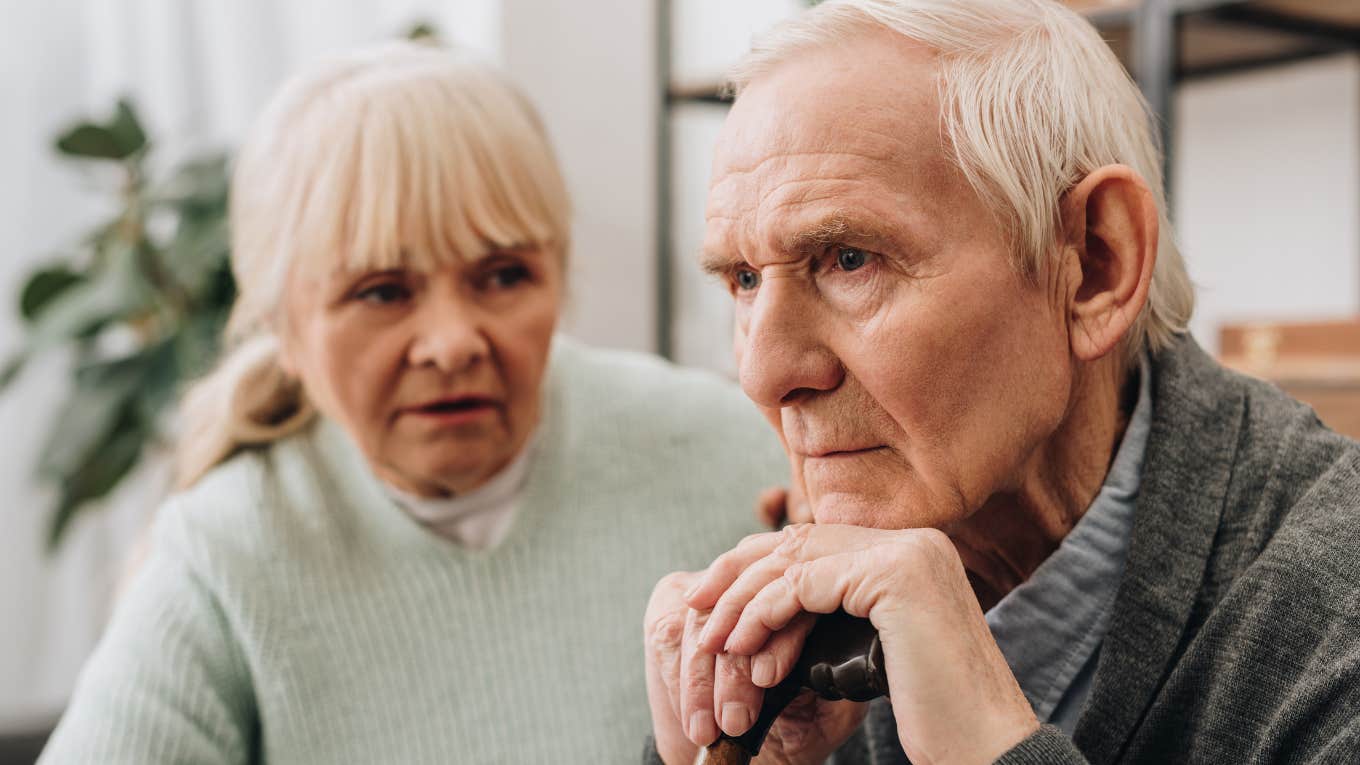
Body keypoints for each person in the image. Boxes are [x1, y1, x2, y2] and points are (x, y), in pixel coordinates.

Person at [642, 1, 1360, 763]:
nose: (762, 372)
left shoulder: (1332, 621)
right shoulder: (808, 614)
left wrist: (993, 748)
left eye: (850, 258)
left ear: (1094, 265)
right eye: (745, 279)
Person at [40, 42, 787, 764]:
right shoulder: (224, 553)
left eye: (501, 276)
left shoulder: (732, 453)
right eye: (383, 292)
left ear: (558, 276)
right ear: (283, 327)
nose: (453, 342)